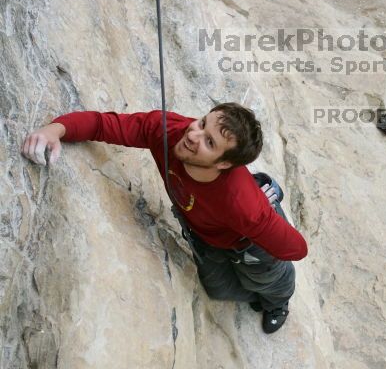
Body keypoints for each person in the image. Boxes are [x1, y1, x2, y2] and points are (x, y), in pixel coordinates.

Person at [21, 103, 308, 334]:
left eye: (209, 141)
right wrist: (53, 130)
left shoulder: (243, 205)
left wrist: (263, 220)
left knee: (267, 281)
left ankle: (278, 303)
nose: (193, 135)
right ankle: (259, 292)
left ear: (223, 164)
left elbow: (295, 248)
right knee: (218, 290)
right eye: (202, 123)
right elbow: (101, 124)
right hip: (204, 232)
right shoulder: (168, 130)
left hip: (247, 242)